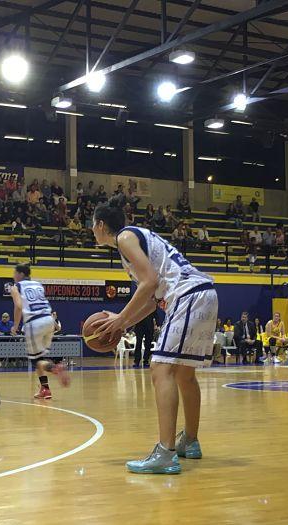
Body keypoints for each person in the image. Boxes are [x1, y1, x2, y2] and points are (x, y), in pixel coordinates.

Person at [92, 195, 217, 475]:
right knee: (184, 374)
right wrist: (123, 323)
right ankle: (190, 442)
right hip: (203, 293)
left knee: (161, 370)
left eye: (92, 226)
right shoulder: (134, 241)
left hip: (187, 295)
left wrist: (122, 317)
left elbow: (150, 282)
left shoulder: (125, 238)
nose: (92, 231)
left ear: (100, 225)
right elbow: (150, 300)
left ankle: (165, 453)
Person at [9, 263, 71, 399]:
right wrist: (55, 324)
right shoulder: (38, 284)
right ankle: (45, 389)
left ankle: (55, 368)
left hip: (33, 323)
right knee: (40, 358)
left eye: (14, 273)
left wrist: (15, 326)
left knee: (36, 361)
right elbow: (43, 305)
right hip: (48, 321)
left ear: (20, 274)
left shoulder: (16, 287)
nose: (13, 276)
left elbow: (19, 306)